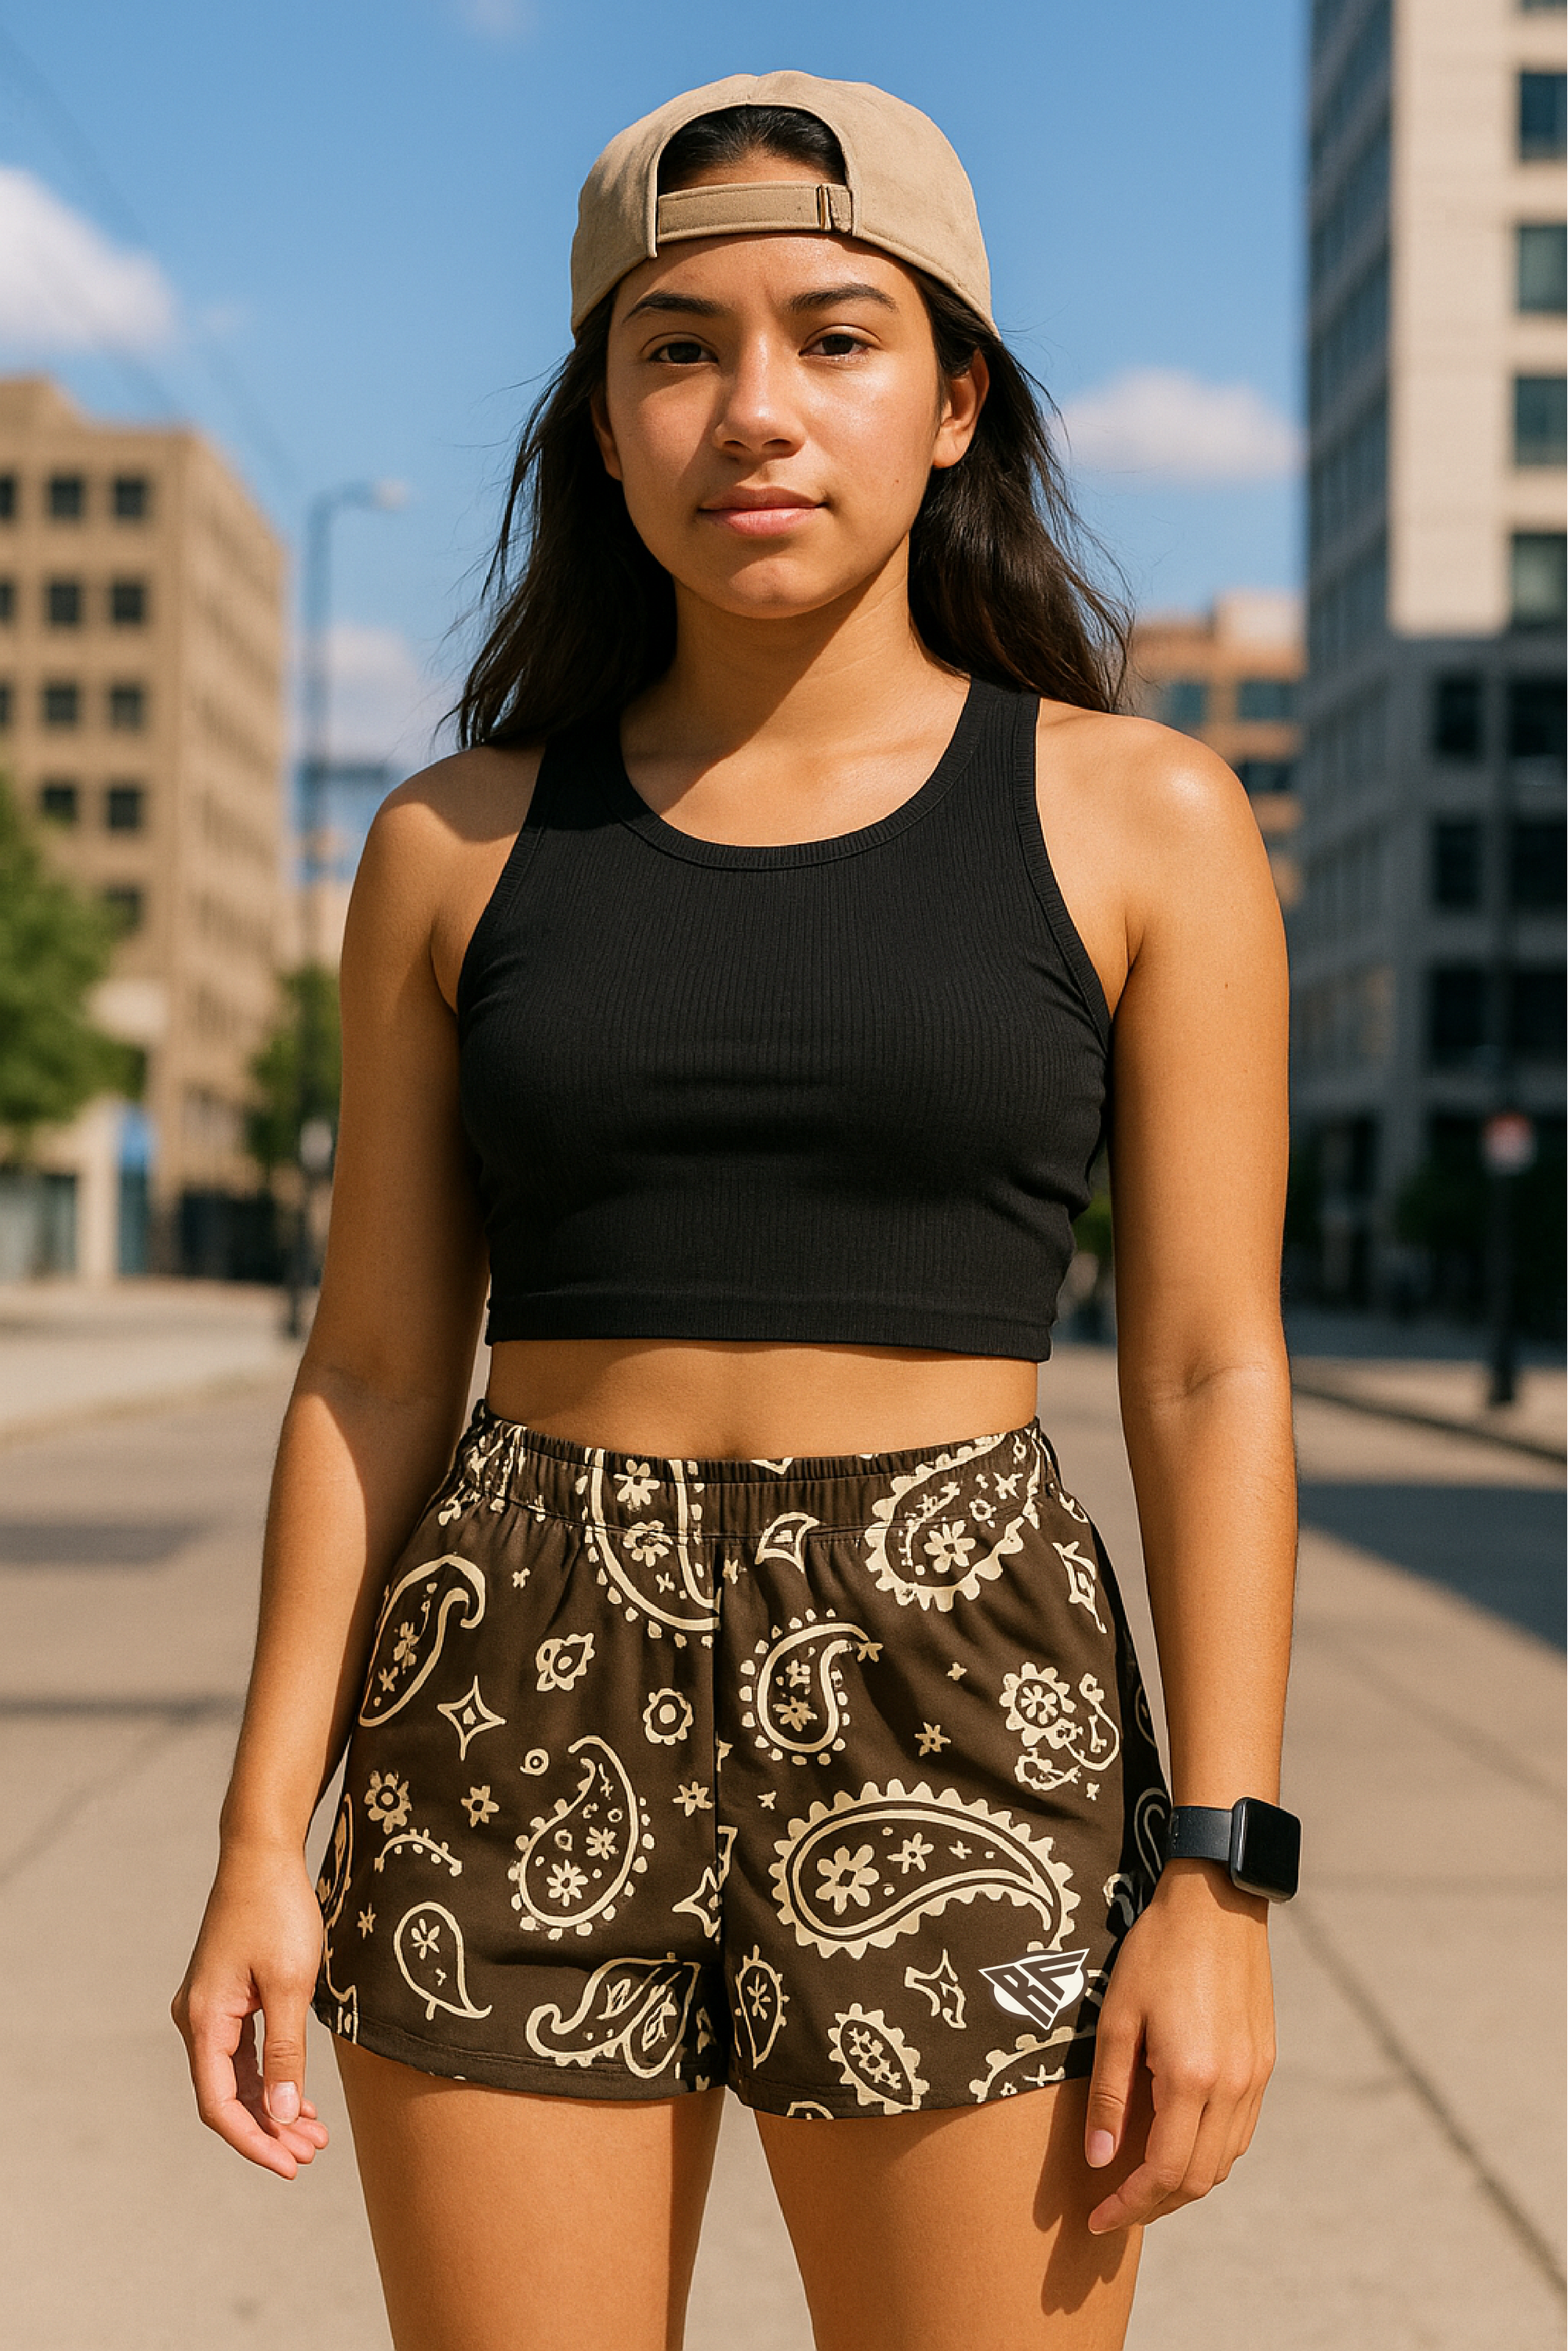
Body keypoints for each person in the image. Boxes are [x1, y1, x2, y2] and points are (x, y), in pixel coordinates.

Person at [172, 70, 1298, 2351]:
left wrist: (1224, 1875)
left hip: (963, 1676)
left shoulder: (1140, 818)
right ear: (602, 428)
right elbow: (372, 1369)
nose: (754, 410)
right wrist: (259, 1840)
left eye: (836, 336)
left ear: (957, 402)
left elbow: (1205, 1373)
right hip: (512, 1671)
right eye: (678, 349)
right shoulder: (455, 844)